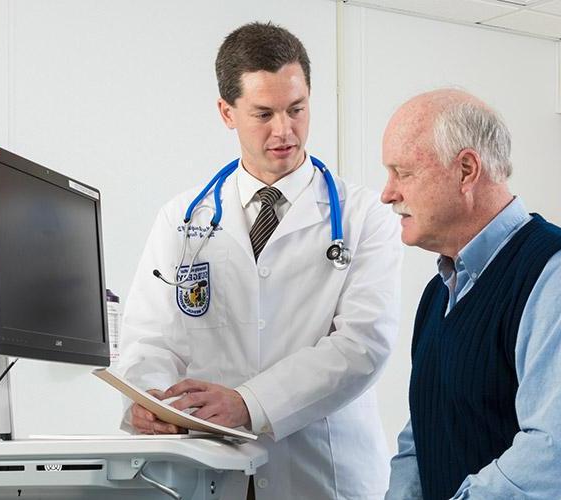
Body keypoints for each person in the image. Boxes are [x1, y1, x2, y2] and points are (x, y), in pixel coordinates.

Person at [117, 22, 402, 499]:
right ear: (227, 113)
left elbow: (362, 345)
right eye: (263, 114)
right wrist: (146, 401)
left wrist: (249, 404)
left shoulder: (363, 215)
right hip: (210, 471)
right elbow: (150, 337)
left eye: (297, 109)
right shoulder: (181, 219)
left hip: (321, 474)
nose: (284, 131)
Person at [379, 89, 561, 499]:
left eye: (402, 173)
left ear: (466, 170)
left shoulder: (560, 274)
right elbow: (421, 435)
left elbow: (559, 452)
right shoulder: (438, 294)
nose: (388, 193)